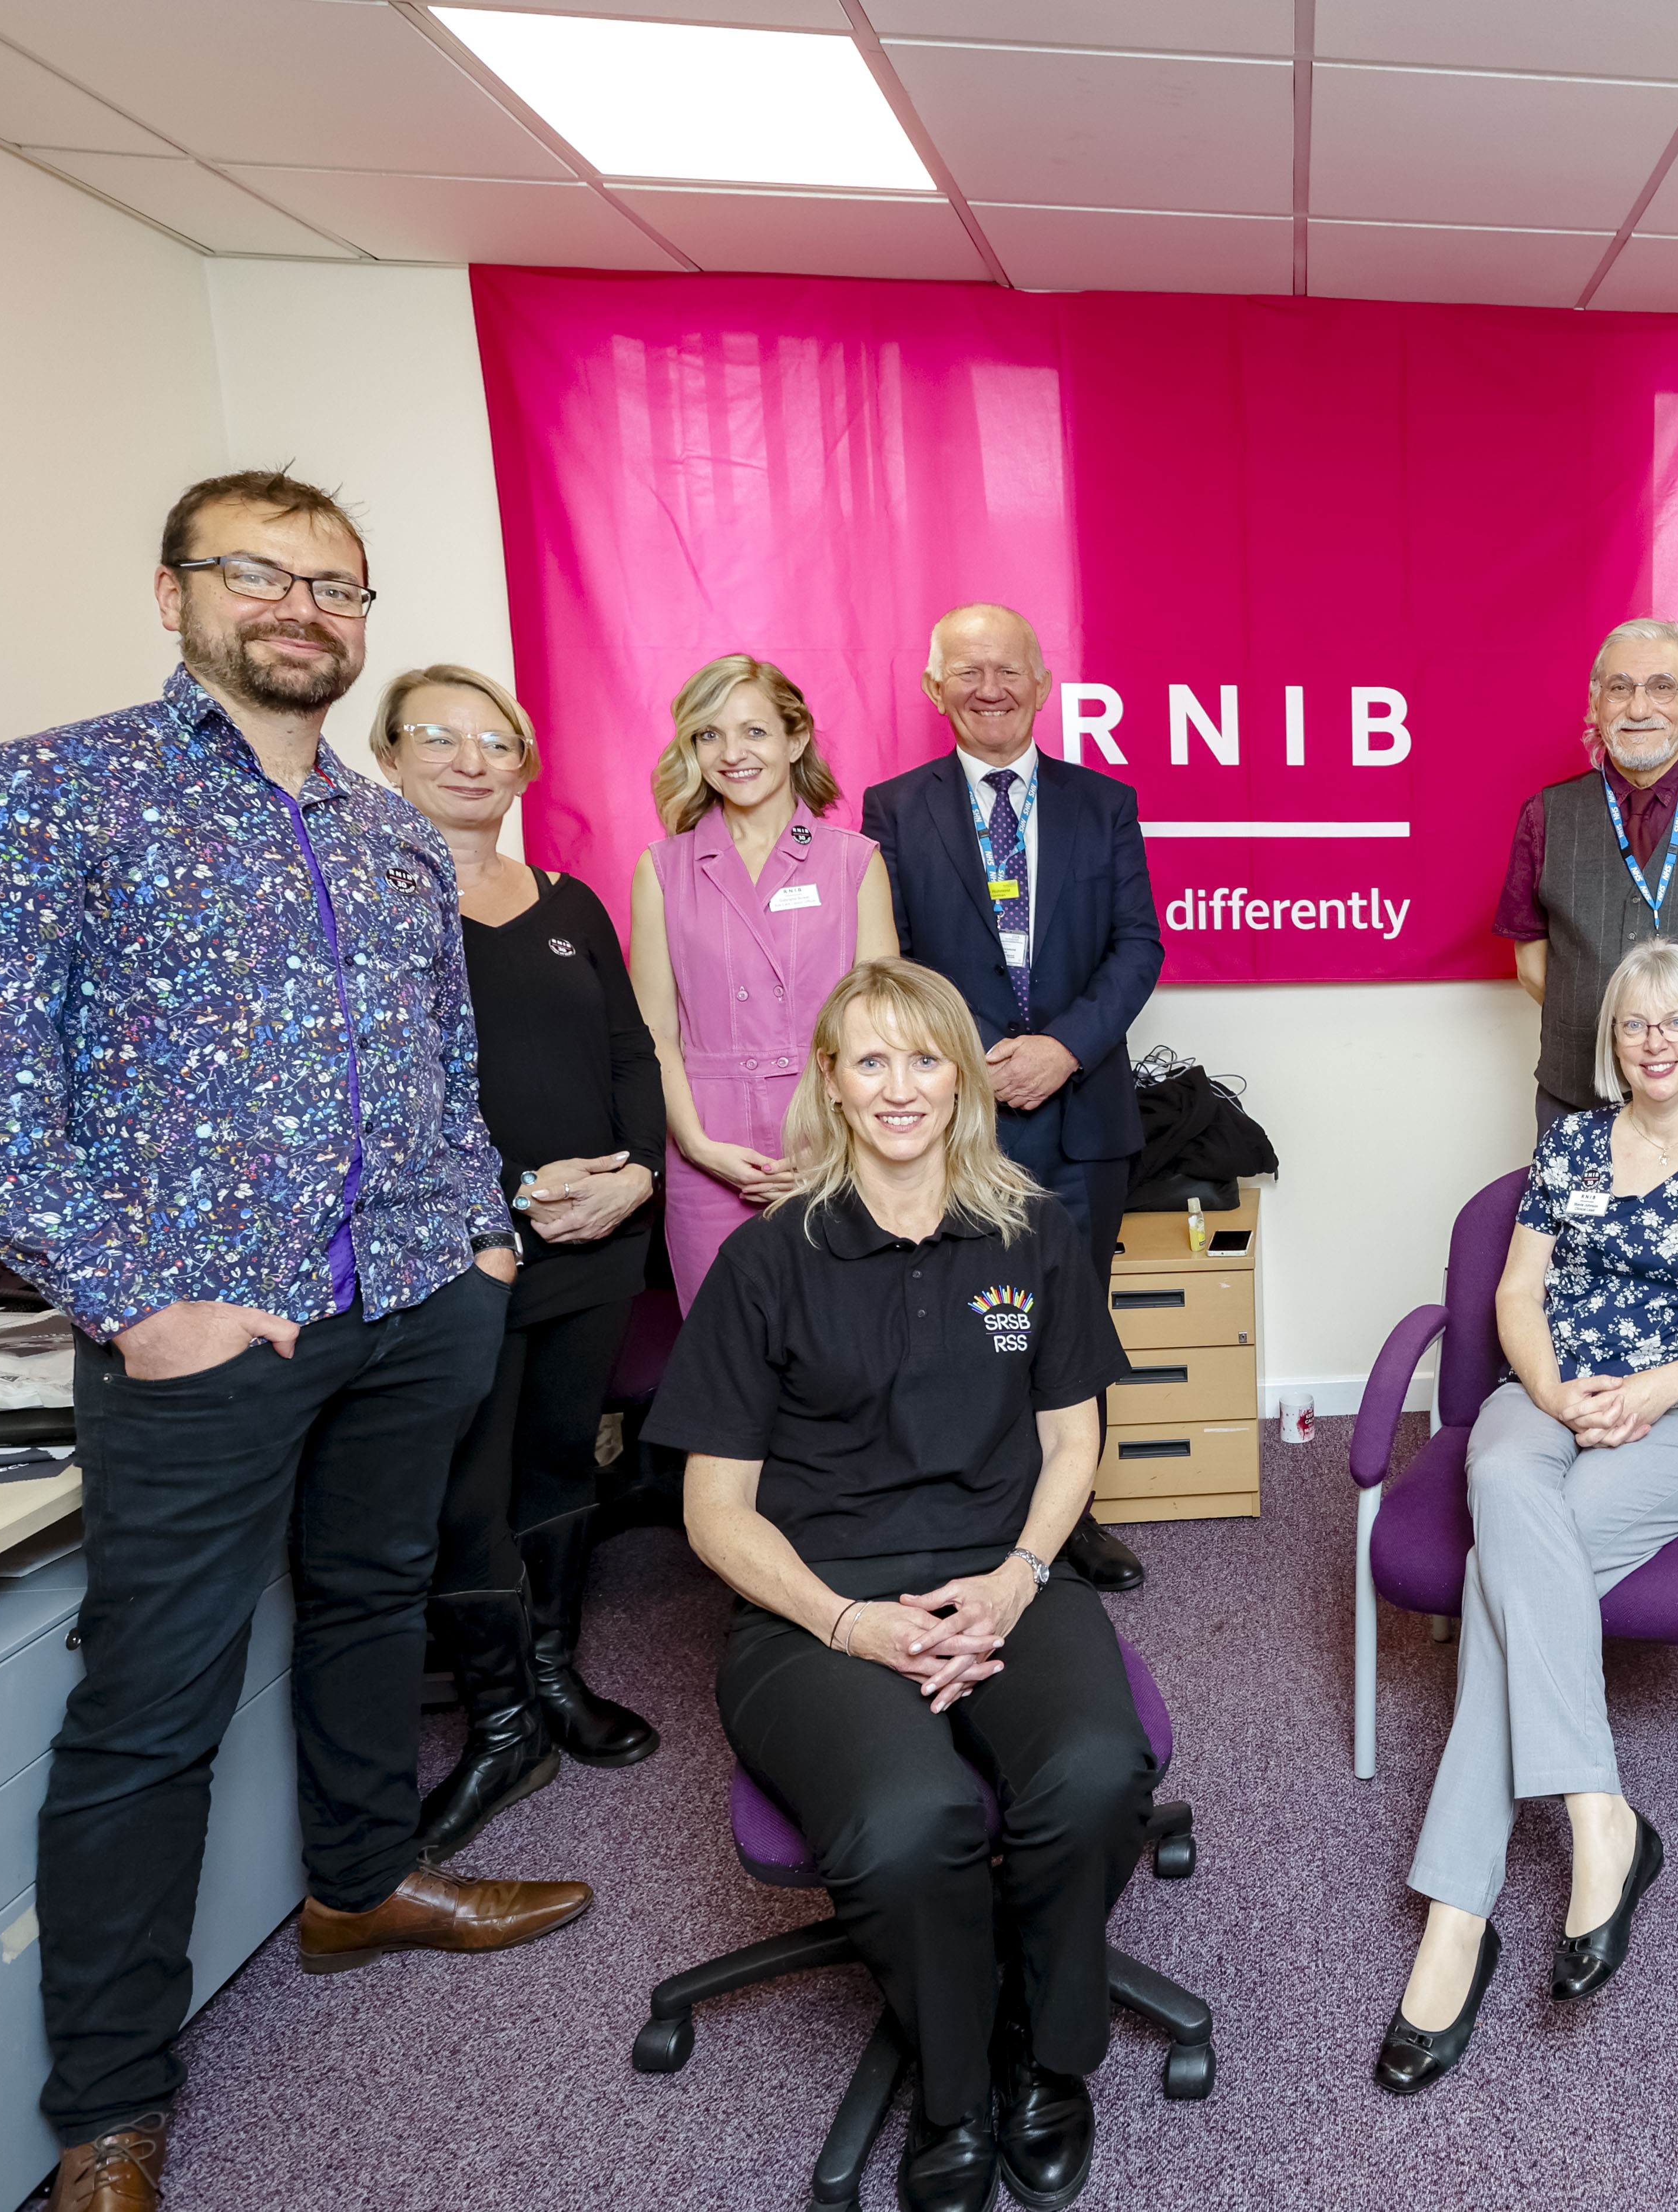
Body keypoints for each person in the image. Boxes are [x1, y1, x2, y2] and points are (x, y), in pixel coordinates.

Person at [0, 471, 591, 2212]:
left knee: (374, 1603)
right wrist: (135, 1304)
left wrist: (482, 1235)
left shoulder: (381, 832)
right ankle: (111, 2109)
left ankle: (363, 1883)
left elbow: (439, 1058)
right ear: (173, 593)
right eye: (261, 575)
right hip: (207, 1336)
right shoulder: (43, 796)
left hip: (417, 1302)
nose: (305, 610)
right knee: (153, 1708)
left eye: (338, 586)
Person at [650, 961, 1144, 2212]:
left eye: (926, 1059)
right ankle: (958, 2087)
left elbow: (1076, 1440)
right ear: (830, 1083)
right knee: (912, 1819)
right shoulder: (770, 1260)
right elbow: (712, 1511)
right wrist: (848, 1623)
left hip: (1005, 1578)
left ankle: (1050, 2059)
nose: (901, 1087)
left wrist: (1022, 1579)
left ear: (964, 1080)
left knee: (1095, 1772)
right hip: (816, 1605)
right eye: (870, 1061)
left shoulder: (1035, 1231)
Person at [1376, 939, 1678, 2095]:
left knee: (1493, 1580)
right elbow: (1517, 1294)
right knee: (1504, 1480)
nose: (1655, 1041)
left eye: (1676, 1022)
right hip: (1552, 1396)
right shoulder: (1572, 1145)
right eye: (1634, 1024)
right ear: (1610, 1040)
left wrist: (1659, 1389)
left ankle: (1456, 1921)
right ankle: (1601, 1817)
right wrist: (1550, 1383)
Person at [370, 663, 667, 1858]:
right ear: (388, 756)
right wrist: (505, 1200)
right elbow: (365, 1103)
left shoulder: (570, 901)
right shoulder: (366, 904)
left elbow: (632, 1053)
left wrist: (637, 1175)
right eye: (439, 738)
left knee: (560, 1462)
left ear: (525, 765)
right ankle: (500, 1728)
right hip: (459, 1255)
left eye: (497, 742)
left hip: (595, 1241)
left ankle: (552, 1681)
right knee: (465, 1492)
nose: (471, 760)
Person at [863, 604, 1164, 1596]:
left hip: (1082, 1118)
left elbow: (1138, 947)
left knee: (1072, 1321)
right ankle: (972, 1515)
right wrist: (963, 1057)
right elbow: (887, 961)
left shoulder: (1103, 803)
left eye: (1006, 671)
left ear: (1042, 683)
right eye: (965, 672)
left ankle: (1072, 1519)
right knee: (955, 1322)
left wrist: (1062, 1049)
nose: (987, 689)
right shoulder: (890, 811)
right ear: (932, 686)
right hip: (954, 1117)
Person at [627, 653, 896, 1313]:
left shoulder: (854, 860)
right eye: (708, 735)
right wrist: (694, 1146)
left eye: (753, 731)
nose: (732, 753)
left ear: (795, 737)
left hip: (838, 1140)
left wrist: (838, 1152)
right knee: (725, 1366)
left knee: (843, 1355)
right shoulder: (663, 868)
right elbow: (654, 1032)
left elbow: (884, 1029)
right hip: (707, 1148)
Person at [1496, 617, 1678, 1132]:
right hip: (1575, 1103)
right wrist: (1613, 1032)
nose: (1639, 708)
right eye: (1620, 689)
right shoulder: (1545, 816)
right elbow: (1532, 966)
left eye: (1662, 687)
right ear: (1596, 704)